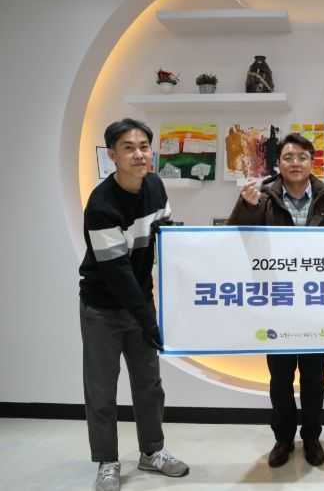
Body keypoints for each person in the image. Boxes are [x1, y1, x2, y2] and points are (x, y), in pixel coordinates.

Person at [227, 132, 324, 468]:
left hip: (316, 304)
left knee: (314, 378)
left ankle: (311, 437)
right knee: (280, 379)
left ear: (312, 163)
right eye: (288, 157)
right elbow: (235, 238)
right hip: (276, 302)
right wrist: (246, 206)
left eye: (302, 157)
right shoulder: (262, 198)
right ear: (278, 164)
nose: (295, 163)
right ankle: (283, 439)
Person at [79, 119, 189, 491]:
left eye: (144, 146)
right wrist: (148, 319)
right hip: (102, 308)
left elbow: (165, 235)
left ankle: (152, 451)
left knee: (149, 384)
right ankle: (107, 461)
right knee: (101, 390)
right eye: (128, 148)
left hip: (140, 301)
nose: (139, 154)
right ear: (112, 155)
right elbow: (117, 274)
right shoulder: (101, 205)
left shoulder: (155, 186)